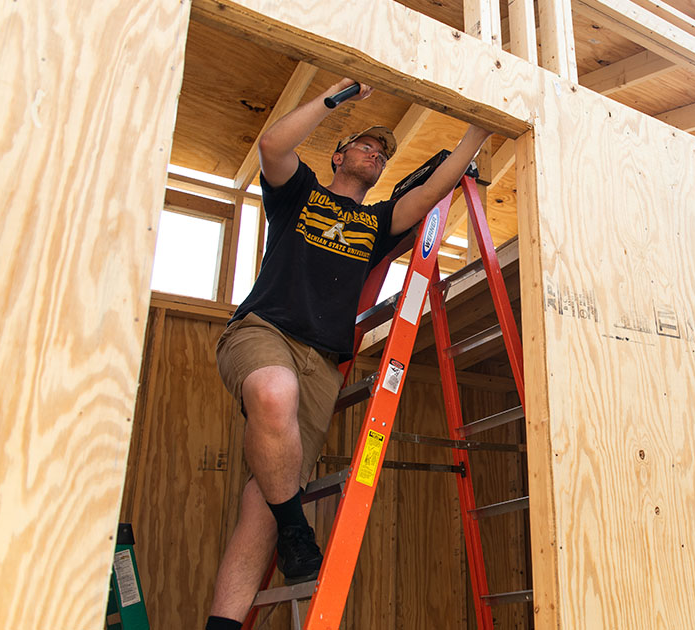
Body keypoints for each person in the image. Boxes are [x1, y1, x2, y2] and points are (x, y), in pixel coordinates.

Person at [204, 78, 491, 630]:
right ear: (339, 155)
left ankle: (227, 617)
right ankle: (297, 528)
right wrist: (335, 97)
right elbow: (271, 147)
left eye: (383, 154)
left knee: (261, 503)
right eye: (366, 145)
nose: (376, 154)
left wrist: (477, 129)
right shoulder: (301, 193)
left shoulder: (377, 222)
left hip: (321, 364)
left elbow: (434, 191)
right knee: (271, 391)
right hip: (263, 332)